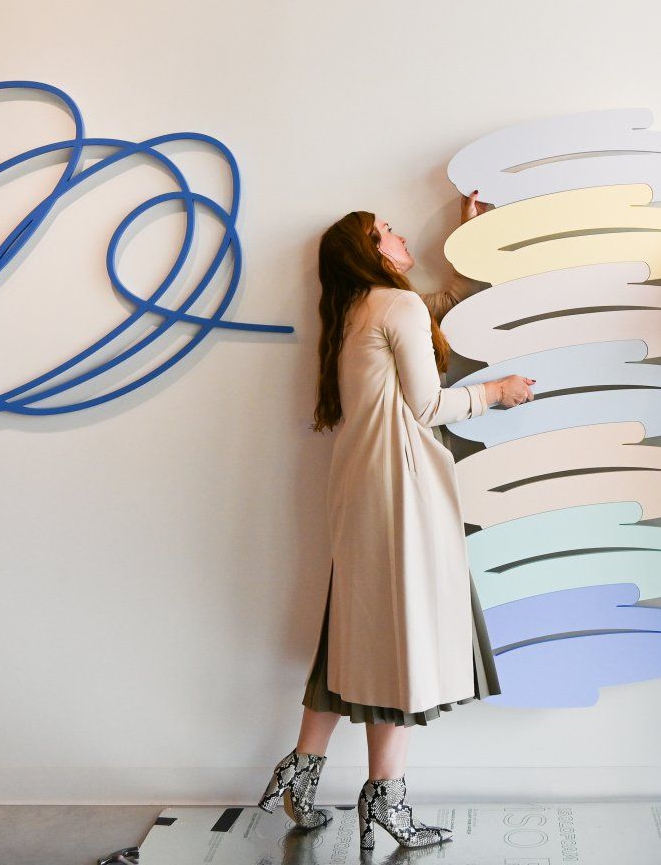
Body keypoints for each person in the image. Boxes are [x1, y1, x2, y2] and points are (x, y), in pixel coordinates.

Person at [256, 192, 536, 853]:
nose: (399, 233)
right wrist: (498, 394)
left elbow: (434, 307)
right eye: (386, 231)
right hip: (399, 491)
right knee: (398, 644)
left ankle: (298, 772)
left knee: (355, 635)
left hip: (361, 489)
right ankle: (386, 797)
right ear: (367, 251)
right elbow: (426, 404)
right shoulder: (396, 306)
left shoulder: (358, 309)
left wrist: (470, 242)